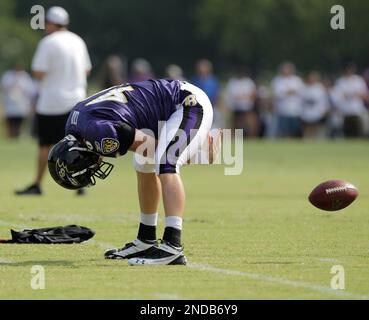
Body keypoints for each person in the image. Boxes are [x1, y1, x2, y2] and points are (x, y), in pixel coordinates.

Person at [47, 79, 219, 265]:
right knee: (143, 163)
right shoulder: (74, 128)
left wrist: (196, 156)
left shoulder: (98, 134)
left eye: (88, 170)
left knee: (166, 163)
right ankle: (146, 239)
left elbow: (149, 146)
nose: (96, 168)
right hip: (163, 110)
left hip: (185, 103)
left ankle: (172, 245)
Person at [15, 6, 92, 195]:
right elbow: (87, 70)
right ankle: (81, 184)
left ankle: (38, 184)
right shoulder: (78, 41)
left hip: (51, 102)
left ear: (50, 23)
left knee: (44, 144)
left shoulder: (48, 42)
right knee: (79, 144)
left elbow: (38, 72)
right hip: (76, 100)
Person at [1, 63, 36, 138]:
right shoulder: (8, 75)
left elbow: (30, 89)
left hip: (21, 104)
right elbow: (4, 87)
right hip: (10, 103)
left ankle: (17, 135)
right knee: (11, 122)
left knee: (19, 122)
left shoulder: (25, 76)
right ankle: (11, 135)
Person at [333, 63, 368, 138]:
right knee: (347, 133)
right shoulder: (341, 81)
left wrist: (353, 94)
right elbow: (337, 96)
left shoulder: (359, 80)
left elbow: (364, 95)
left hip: (356, 110)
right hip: (345, 111)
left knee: (357, 132)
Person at [271, 62, 304, 138]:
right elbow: (277, 94)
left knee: (294, 130)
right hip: (282, 110)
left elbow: (301, 92)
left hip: (295, 110)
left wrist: (287, 92)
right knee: (284, 130)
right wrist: (289, 92)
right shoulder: (277, 80)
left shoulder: (297, 80)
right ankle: (239, 145)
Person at [225, 66, 258, 137]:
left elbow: (253, 94)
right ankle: (236, 139)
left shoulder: (248, 82)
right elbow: (229, 95)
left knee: (250, 124)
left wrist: (245, 98)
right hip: (236, 107)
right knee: (235, 125)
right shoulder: (232, 82)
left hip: (247, 107)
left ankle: (251, 138)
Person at [300, 72, 329, 139]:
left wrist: (324, 109)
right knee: (306, 129)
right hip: (306, 113)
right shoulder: (304, 88)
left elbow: (324, 100)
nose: (311, 79)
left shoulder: (320, 88)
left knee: (315, 129)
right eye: (310, 78)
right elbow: (300, 101)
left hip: (317, 113)